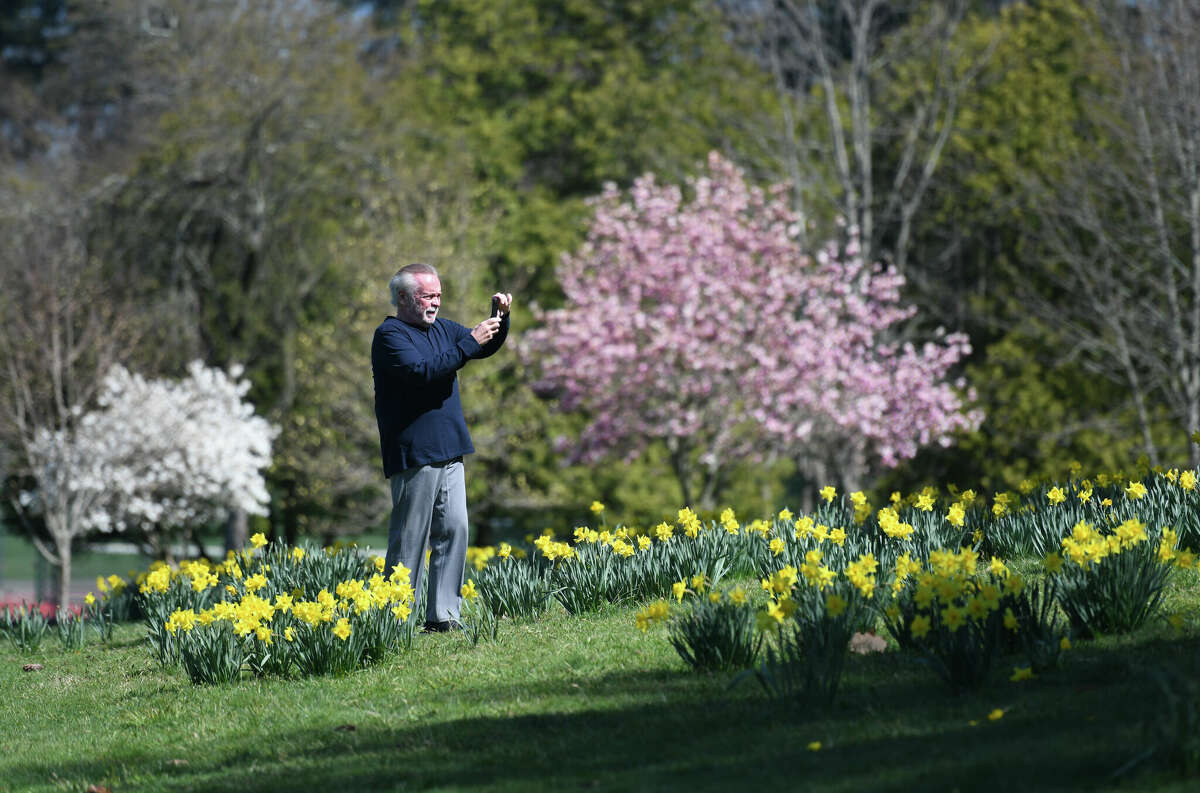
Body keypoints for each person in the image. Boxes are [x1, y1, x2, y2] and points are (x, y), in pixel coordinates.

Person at [371, 262, 511, 632]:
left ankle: (444, 617)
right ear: (404, 298)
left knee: (455, 529)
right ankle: (396, 624)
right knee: (410, 540)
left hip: (450, 448)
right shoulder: (389, 335)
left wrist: (499, 317)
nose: (435, 302)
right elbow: (424, 371)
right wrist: (470, 342)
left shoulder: (443, 329)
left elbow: (480, 347)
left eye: (438, 295)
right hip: (414, 452)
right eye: (427, 296)